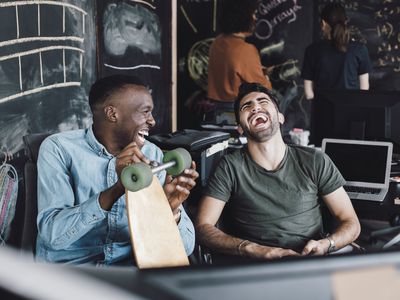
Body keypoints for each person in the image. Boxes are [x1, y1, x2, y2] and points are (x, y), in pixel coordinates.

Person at [36, 75, 199, 265]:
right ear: (112, 114)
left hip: (128, 271)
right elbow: (53, 237)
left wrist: (170, 212)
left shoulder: (152, 154)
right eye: (145, 112)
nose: (152, 121)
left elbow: (186, 248)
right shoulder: (59, 149)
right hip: (74, 273)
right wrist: (117, 189)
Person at [196, 82, 360, 260]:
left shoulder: (314, 160)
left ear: (280, 118)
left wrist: (326, 244)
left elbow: (351, 222)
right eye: (247, 106)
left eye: (263, 102)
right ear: (240, 128)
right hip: (258, 266)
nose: (256, 107)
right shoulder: (229, 167)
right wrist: (252, 249)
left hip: (309, 259)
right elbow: (203, 227)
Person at [205, 0, 272, 124]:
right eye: (253, 14)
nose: (255, 17)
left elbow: (229, 70)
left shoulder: (217, 42)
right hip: (238, 110)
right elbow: (261, 86)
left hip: (215, 111)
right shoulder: (245, 49)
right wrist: (267, 78)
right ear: (243, 17)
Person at [301, 3, 372, 100]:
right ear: (345, 22)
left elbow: (308, 93)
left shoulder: (312, 50)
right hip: (351, 111)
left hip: (322, 111)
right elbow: (364, 89)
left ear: (323, 24)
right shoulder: (360, 49)